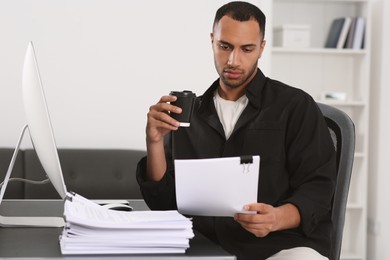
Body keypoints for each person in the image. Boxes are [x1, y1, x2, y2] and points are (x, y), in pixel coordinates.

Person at [136, 1, 337, 260]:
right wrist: (153, 143)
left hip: (279, 246)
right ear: (212, 41)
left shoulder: (295, 106)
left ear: (262, 48)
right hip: (202, 246)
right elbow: (164, 204)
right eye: (225, 46)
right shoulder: (188, 113)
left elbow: (319, 187)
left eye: (247, 49)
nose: (233, 60)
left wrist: (276, 218)